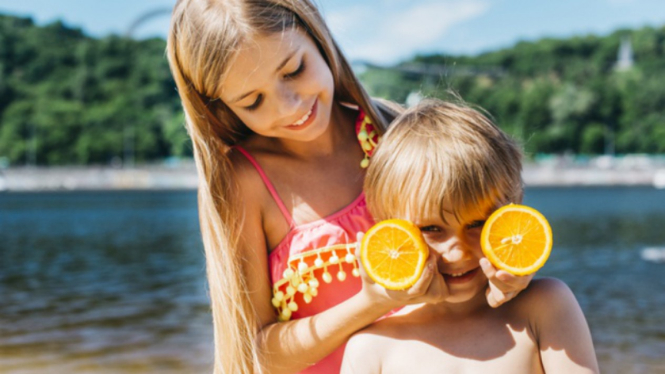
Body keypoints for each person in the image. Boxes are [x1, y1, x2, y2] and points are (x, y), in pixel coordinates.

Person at [166, 1, 535, 373]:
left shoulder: (397, 133)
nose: (289, 107)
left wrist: (508, 278)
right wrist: (370, 302)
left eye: (294, 71)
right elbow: (256, 352)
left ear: (317, 37)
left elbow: (485, 239)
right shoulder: (242, 183)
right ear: (220, 109)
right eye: (253, 101)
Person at [341, 99, 599, 373]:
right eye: (431, 229)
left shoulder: (545, 307)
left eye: (477, 223)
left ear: (510, 217)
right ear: (389, 231)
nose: (458, 253)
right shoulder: (371, 348)